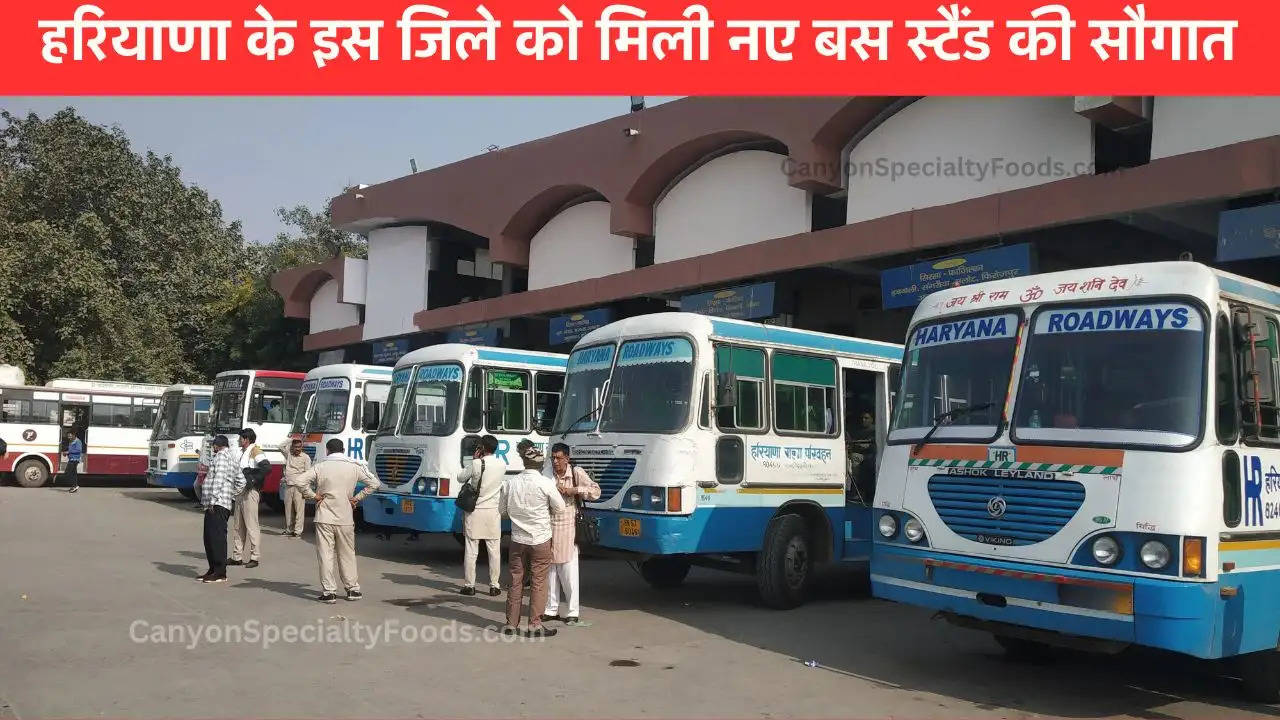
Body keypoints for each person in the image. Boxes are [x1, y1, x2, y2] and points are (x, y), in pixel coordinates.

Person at [296, 438, 382, 603]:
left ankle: (329, 592)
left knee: (325, 555)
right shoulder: (353, 467)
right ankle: (352, 589)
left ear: (327, 450)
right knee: (347, 553)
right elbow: (374, 483)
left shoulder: (320, 467)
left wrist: (313, 496)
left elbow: (299, 481)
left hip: (324, 517)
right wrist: (356, 498)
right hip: (345, 517)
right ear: (343, 450)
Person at [499, 445, 565, 637]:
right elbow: (560, 507)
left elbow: (502, 512)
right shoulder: (545, 484)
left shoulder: (511, 483)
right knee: (538, 581)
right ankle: (535, 624)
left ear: (524, 462)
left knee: (515, 579)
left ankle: (511, 623)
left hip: (517, 539)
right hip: (540, 539)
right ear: (541, 463)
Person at [542, 443, 600, 627]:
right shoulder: (547, 473)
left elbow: (596, 492)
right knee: (550, 571)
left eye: (559, 458)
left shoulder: (576, 472)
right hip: (548, 525)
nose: (556, 461)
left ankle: (572, 611)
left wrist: (573, 490)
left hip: (568, 527)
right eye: (553, 457)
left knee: (568, 572)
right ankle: (551, 609)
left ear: (567, 458)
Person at [457, 434, 506, 597]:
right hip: (493, 512)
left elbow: (460, 477)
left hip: (475, 512)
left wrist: (473, 459)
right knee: (494, 551)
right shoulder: (501, 464)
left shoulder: (477, 463)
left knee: (472, 550)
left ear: (482, 448)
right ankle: (494, 585)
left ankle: (470, 585)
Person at [199, 435, 245, 583]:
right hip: (220, 502)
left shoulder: (221, 457)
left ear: (217, 445)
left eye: (213, 445)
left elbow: (218, 478)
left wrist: (213, 500)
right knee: (210, 537)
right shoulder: (231, 458)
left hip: (217, 504)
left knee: (216, 538)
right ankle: (213, 569)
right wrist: (231, 494)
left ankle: (219, 572)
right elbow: (241, 481)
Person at [228, 428, 270, 569]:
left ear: (246, 439)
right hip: (240, 491)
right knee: (238, 526)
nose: (239, 440)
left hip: (250, 491)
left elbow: (266, 468)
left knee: (252, 526)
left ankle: (254, 557)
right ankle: (237, 556)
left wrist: (251, 479)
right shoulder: (242, 453)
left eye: (241, 438)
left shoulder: (255, 451)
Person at [277, 438, 312, 537]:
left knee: (299, 510)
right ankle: (289, 529)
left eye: (299, 447)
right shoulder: (289, 455)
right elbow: (280, 446)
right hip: (288, 486)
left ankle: (297, 531)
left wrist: (306, 490)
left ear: (302, 447)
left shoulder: (306, 457)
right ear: (292, 447)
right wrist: (292, 439)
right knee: (288, 509)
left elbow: (308, 474)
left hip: (299, 487)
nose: (297, 449)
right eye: (295, 447)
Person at [62, 429, 83, 493]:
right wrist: (66, 453)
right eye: (68, 436)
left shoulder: (78, 441)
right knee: (73, 474)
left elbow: (78, 450)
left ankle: (75, 485)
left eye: (70, 436)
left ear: (74, 435)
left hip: (74, 459)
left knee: (67, 473)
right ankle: (74, 487)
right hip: (71, 458)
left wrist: (68, 452)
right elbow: (71, 450)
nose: (69, 437)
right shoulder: (71, 441)